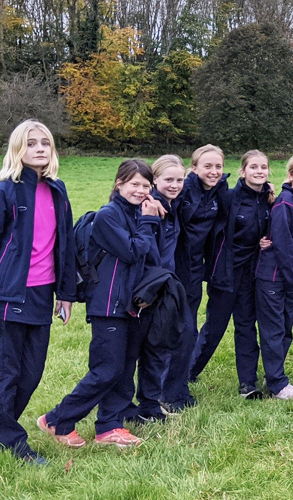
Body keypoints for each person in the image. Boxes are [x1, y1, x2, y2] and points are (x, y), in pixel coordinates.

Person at [0, 121, 75, 465]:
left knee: (30, 375)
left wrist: (66, 294)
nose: (40, 148)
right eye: (31, 143)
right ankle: (14, 444)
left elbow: (65, 246)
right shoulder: (3, 193)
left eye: (45, 142)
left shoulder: (58, 190)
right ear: (18, 149)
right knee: (5, 376)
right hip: (8, 298)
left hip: (42, 298)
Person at [39, 160, 160, 449]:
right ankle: (57, 419)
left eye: (146, 185)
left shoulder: (138, 213)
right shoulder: (109, 215)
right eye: (134, 184)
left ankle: (109, 426)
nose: (140, 190)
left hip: (131, 304)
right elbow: (132, 251)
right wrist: (149, 222)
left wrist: (149, 219)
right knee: (107, 369)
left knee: (124, 368)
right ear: (119, 184)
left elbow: (152, 257)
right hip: (108, 305)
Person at [189, 151, 272, 397]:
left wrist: (264, 241)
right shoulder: (228, 197)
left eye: (263, 167)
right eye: (253, 167)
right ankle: (187, 371)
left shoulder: (267, 199)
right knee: (215, 327)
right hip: (225, 272)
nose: (259, 171)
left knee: (246, 325)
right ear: (242, 171)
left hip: (251, 273)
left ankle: (248, 383)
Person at [162, 145, 229, 413]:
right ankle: (166, 394)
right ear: (194, 168)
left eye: (218, 166)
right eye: (207, 166)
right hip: (175, 268)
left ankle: (179, 388)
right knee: (181, 331)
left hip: (195, 270)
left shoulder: (219, 190)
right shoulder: (183, 189)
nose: (213, 171)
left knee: (187, 333)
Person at [125, 154, 184, 424]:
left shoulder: (170, 206)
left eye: (179, 180)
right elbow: (146, 251)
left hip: (164, 287)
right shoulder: (150, 208)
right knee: (139, 350)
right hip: (147, 289)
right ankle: (127, 407)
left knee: (158, 349)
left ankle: (150, 404)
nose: (174, 185)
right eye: (168, 179)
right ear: (155, 180)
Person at [254, 153, 293, 397]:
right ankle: (278, 384)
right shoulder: (285, 203)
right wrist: (292, 278)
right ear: (290, 176)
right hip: (274, 277)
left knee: (285, 329)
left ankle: (274, 374)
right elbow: (282, 244)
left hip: (291, 277)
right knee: (274, 331)